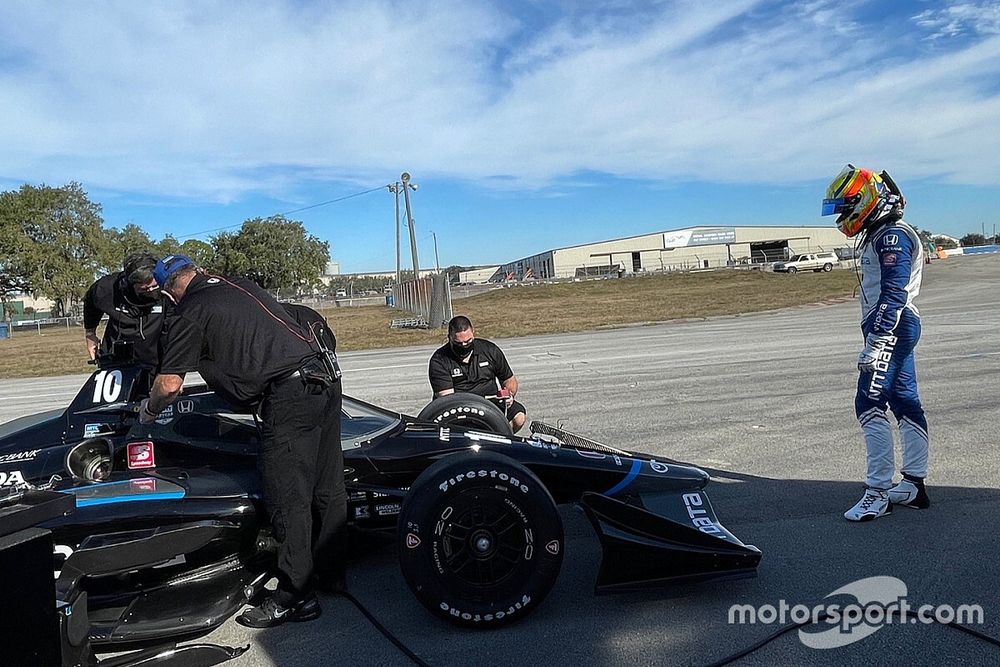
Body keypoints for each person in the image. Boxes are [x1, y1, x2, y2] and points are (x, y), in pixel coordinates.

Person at [138, 255, 346, 628]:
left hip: (289, 395)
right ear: (196, 271)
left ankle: (295, 597)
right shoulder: (240, 286)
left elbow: (169, 385)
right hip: (325, 379)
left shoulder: (191, 310)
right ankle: (332, 573)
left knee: (288, 497)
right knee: (327, 487)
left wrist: (148, 411)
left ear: (169, 293)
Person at [822, 165, 930, 522]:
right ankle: (914, 485)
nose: (842, 215)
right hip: (896, 326)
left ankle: (877, 492)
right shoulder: (881, 232)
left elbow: (894, 291)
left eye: (846, 206)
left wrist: (878, 340)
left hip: (893, 326)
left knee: (868, 402)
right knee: (904, 399)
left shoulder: (891, 236)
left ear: (867, 200)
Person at [428, 315, 526, 431]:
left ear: (473, 333)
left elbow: (509, 379)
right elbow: (448, 399)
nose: (464, 346)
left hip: (491, 402)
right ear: (449, 337)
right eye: (459, 343)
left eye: (468, 341)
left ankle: (502, 439)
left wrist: (509, 395)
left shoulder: (489, 350)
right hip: (458, 407)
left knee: (519, 417)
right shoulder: (439, 360)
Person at [82, 252, 164, 369]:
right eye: (144, 288)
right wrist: (90, 334)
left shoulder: (169, 285)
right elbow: (90, 301)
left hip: (157, 355)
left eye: (154, 286)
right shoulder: (106, 288)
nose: (150, 290)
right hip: (118, 356)